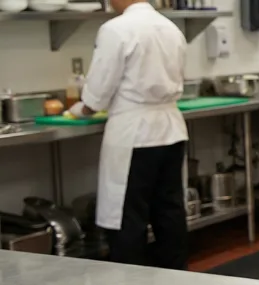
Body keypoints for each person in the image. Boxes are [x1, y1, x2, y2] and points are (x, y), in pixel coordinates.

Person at [66, 0, 189, 270]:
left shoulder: (116, 29)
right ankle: (179, 279)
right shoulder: (171, 28)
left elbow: (98, 90)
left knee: (127, 215)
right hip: (171, 128)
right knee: (169, 210)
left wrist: (81, 108)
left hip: (135, 133)